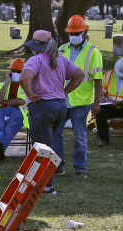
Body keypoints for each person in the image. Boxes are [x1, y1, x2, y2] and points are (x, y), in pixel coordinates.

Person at [19, 30, 85, 195]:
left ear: (36, 46)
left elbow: (23, 78)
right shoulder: (61, 59)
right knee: (52, 144)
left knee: (42, 147)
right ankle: (43, 180)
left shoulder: (36, 60)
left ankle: (47, 186)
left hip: (42, 107)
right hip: (60, 106)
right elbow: (80, 75)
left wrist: (31, 94)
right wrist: (64, 92)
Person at [54, 15, 103, 178]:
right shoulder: (62, 49)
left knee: (80, 136)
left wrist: (97, 102)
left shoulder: (93, 52)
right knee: (56, 133)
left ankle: (80, 169)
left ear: (85, 32)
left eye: (77, 33)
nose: (73, 36)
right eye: (71, 33)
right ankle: (58, 166)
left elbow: (97, 79)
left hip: (82, 102)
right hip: (62, 99)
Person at [0, 58, 29, 161]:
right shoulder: (1, 85)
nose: (16, 73)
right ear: (9, 72)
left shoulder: (26, 86)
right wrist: (7, 82)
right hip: (1, 110)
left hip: (18, 111)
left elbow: (20, 101)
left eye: (19, 71)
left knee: (9, 130)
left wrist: (3, 102)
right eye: (13, 71)